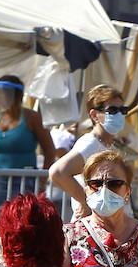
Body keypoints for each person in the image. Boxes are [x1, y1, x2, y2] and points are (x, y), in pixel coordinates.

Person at [49, 84, 128, 221]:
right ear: (94, 115)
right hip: (92, 228)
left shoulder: (108, 144)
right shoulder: (91, 144)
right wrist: (86, 202)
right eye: (113, 110)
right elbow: (58, 172)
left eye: (123, 110)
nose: (119, 115)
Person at [0, 74, 58, 205]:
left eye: (3, 92)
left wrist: (42, 182)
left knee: (23, 221)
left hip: (26, 180)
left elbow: (50, 151)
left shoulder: (33, 118)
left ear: (16, 94)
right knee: (0, 220)